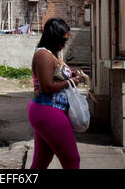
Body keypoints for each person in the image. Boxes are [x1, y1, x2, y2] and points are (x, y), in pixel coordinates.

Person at [27, 17, 83, 169]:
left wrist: (72, 76)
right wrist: (73, 81)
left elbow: (56, 79)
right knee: (72, 160)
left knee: (41, 162)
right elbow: (46, 86)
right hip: (48, 110)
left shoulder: (53, 54)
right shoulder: (43, 55)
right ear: (53, 37)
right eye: (63, 39)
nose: (65, 43)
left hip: (50, 110)